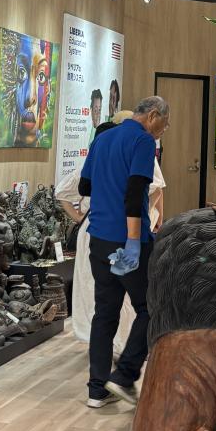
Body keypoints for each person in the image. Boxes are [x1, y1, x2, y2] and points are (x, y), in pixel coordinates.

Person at [79, 95, 171, 407]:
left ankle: (97, 390)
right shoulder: (143, 142)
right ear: (153, 115)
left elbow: (84, 187)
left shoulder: (102, 139)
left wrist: (109, 184)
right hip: (128, 241)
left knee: (105, 313)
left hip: (99, 239)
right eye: (165, 124)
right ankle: (124, 375)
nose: (164, 130)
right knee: (152, 308)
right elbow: (134, 196)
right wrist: (133, 243)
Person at [61, 111, 165, 347]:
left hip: (101, 233)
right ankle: (121, 346)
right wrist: (148, 221)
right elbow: (154, 191)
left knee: (104, 295)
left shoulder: (106, 151)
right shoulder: (139, 149)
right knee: (123, 295)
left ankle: (108, 346)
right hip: (120, 233)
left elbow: (155, 190)